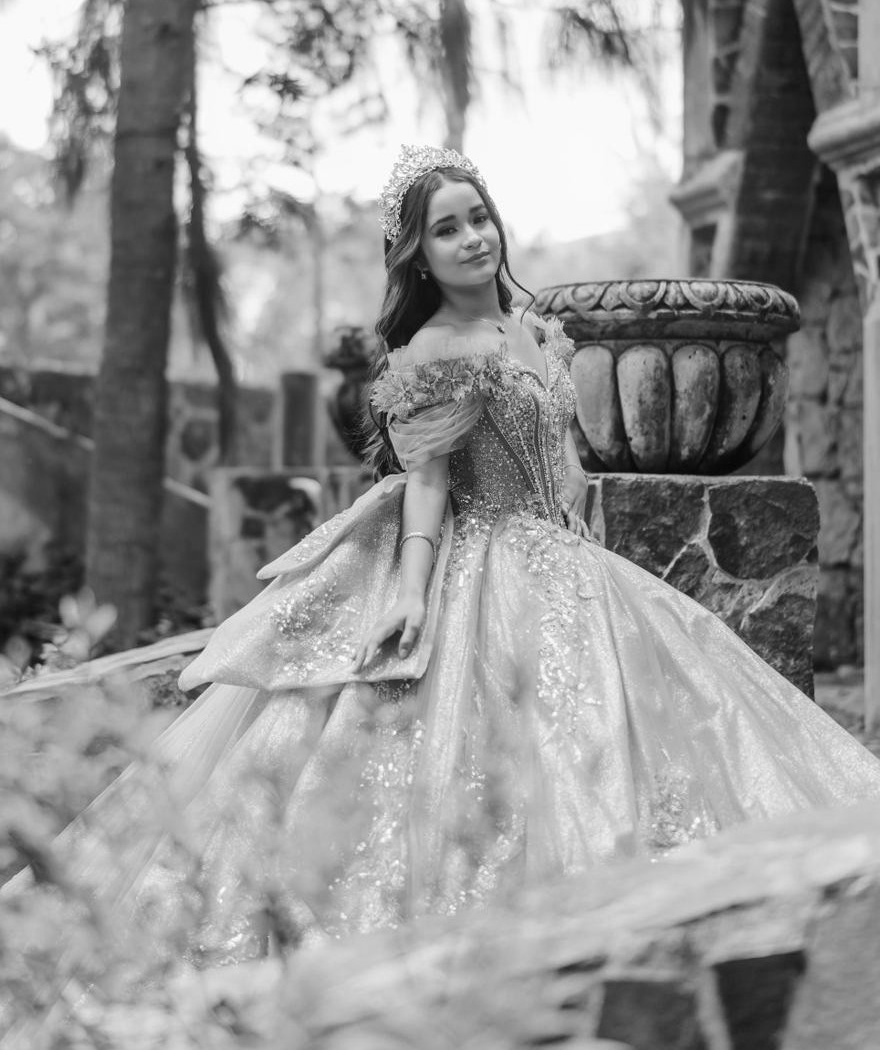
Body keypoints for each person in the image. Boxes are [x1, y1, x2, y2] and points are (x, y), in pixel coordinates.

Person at [7, 145, 880, 977]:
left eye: (478, 218)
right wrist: (414, 591)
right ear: (417, 256)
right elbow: (426, 486)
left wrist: (577, 524)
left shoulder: (538, 331)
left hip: (570, 562)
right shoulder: (431, 351)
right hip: (484, 561)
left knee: (647, 720)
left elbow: (565, 456)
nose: (471, 239)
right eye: (446, 229)